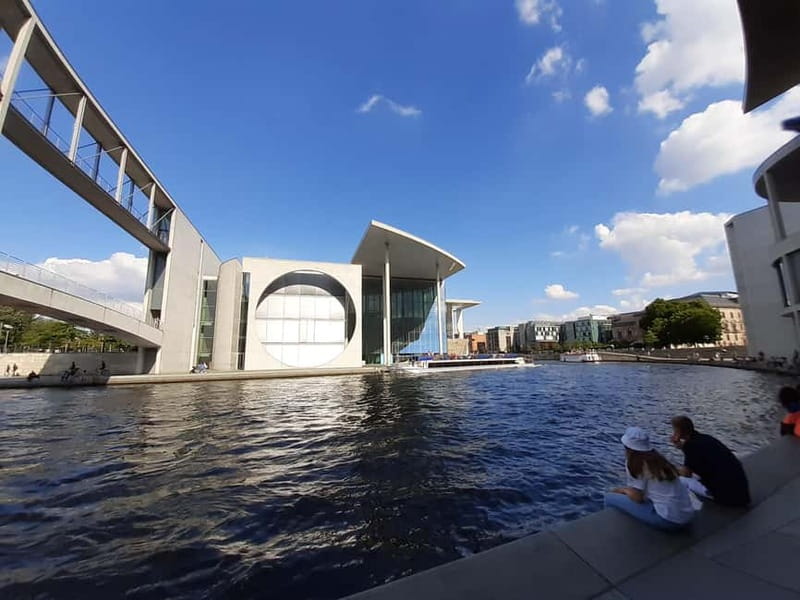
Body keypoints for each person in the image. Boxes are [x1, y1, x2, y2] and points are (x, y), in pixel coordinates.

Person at [605, 426, 695, 531]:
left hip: (669, 521)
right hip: (687, 516)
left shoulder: (635, 462)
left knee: (609, 497)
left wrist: (622, 490)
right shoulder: (659, 459)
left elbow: (638, 497)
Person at [671, 416, 750, 507]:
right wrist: (682, 447)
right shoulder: (705, 438)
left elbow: (686, 474)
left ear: (679, 431)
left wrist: (670, 469)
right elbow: (694, 456)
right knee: (697, 475)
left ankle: (688, 507)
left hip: (727, 497)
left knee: (681, 480)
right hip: (742, 494)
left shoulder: (690, 446)